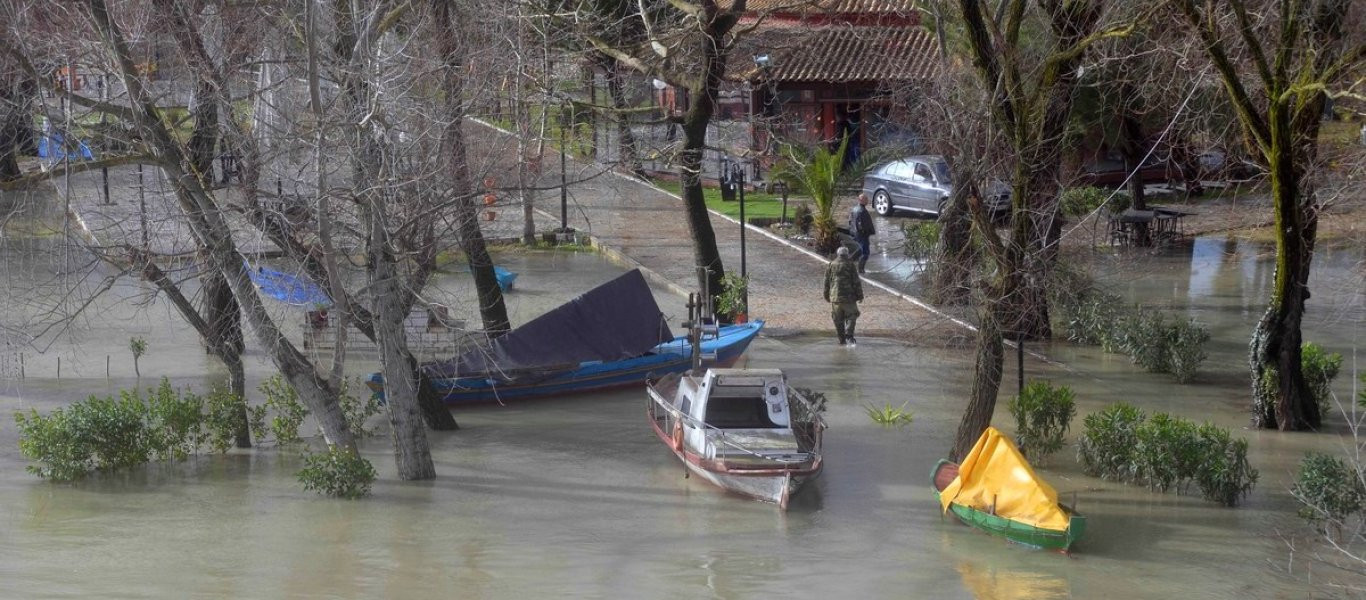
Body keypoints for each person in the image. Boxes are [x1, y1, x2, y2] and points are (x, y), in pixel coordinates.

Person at [823, 246, 864, 346]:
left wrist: (826, 295)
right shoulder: (850, 265)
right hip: (849, 297)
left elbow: (826, 282)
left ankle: (841, 340)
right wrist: (860, 295)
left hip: (835, 298)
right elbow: (856, 282)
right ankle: (849, 334)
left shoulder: (831, 265)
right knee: (852, 315)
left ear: (838, 254)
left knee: (838, 319)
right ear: (847, 254)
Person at [849, 193, 876, 273]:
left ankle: (849, 262)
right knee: (865, 253)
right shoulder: (862, 211)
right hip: (862, 234)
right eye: (865, 199)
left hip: (856, 233)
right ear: (860, 200)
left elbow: (850, 221)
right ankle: (860, 270)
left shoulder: (854, 209)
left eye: (867, 199)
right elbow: (861, 225)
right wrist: (867, 232)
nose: (867, 200)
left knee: (860, 250)